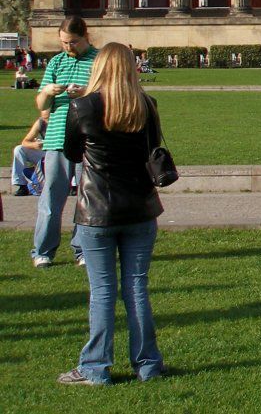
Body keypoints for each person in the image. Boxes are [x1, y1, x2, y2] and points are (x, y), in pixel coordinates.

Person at [59, 42, 166, 385]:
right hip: (140, 207)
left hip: (96, 210)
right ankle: (147, 364)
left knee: (102, 290)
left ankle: (95, 367)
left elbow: (72, 152)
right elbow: (154, 151)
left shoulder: (82, 107)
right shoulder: (145, 106)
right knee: (136, 287)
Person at [32, 16, 97, 268]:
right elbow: (41, 106)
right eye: (63, 42)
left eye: (73, 42)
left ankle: (82, 249)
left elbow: (106, 92)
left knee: (86, 197)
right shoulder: (56, 62)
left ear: (85, 37)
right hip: (57, 137)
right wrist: (46, 92)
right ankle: (43, 250)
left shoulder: (98, 59)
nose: (68, 47)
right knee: (50, 197)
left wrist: (85, 92)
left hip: (87, 138)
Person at [11, 111, 50, 196]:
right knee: (19, 149)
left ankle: (74, 185)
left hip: (62, 153)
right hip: (45, 153)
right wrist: (34, 145)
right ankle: (22, 185)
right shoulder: (41, 122)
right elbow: (25, 141)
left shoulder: (64, 120)